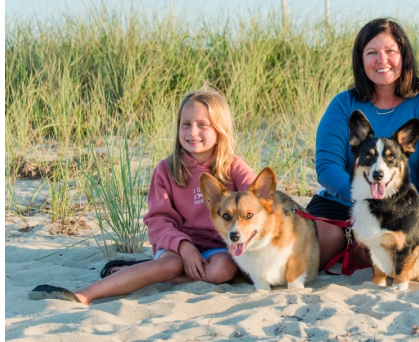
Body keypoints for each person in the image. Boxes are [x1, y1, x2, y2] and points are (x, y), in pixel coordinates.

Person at [29, 87, 256, 304]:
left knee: (225, 269)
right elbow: (158, 220)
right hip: (175, 245)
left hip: (217, 247)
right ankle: (84, 295)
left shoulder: (233, 166)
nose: (192, 132)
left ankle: (136, 272)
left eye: (202, 125)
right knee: (171, 265)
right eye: (185, 124)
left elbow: (258, 200)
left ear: (219, 129)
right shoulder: (167, 170)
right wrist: (184, 246)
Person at [307, 18, 419, 268]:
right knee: (313, 249)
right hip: (342, 202)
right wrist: (364, 202)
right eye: (371, 52)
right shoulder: (343, 104)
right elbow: (326, 165)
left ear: (404, 55)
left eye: (390, 51)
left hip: (400, 210)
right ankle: (347, 241)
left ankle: (358, 248)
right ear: (360, 60)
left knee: (376, 255)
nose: (381, 60)